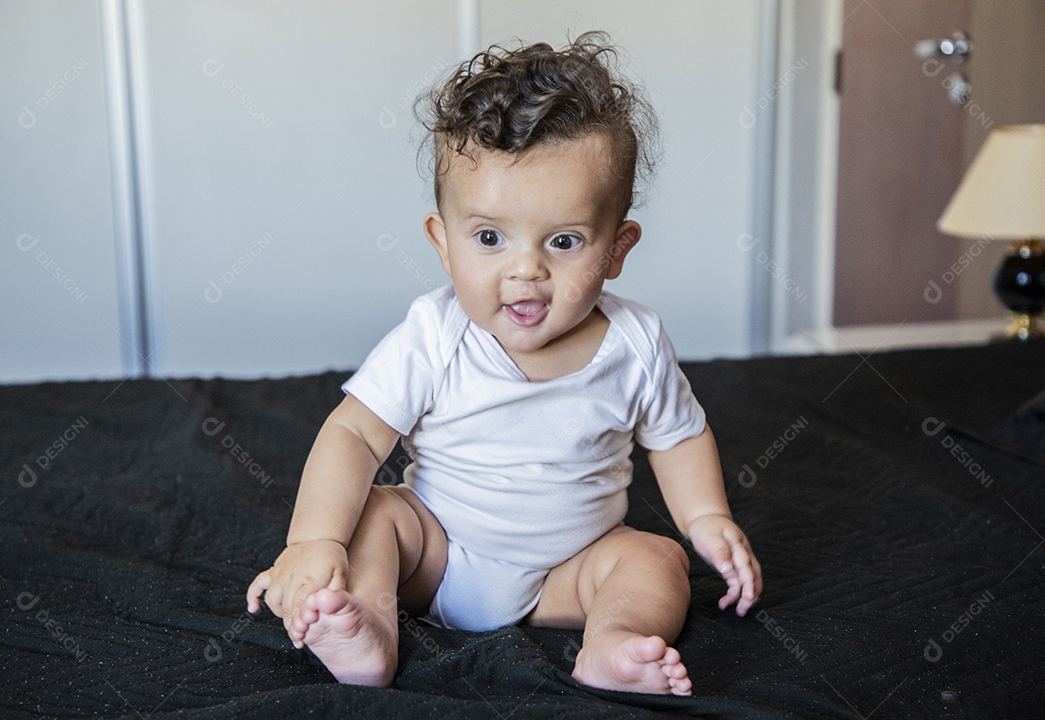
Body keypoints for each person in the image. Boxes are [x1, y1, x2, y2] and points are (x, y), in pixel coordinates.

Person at [246, 31, 761, 696]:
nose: (526, 271)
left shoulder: (635, 344)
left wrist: (706, 519)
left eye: (565, 241)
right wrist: (312, 543)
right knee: (375, 516)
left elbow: (680, 436)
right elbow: (352, 434)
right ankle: (368, 629)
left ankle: (612, 644)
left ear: (617, 249)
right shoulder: (434, 334)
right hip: (434, 555)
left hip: (565, 574)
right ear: (443, 241)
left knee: (656, 560)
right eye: (489, 238)